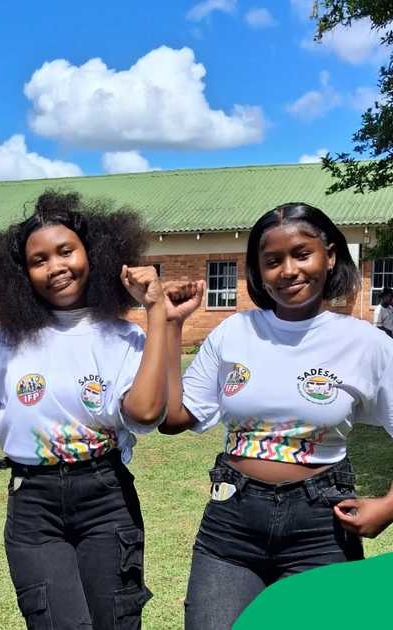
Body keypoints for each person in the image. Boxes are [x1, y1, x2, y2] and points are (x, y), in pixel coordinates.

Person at [160, 202, 393, 630]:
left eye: (302, 254)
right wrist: (172, 326)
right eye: (272, 261)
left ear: (330, 256)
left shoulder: (367, 343)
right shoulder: (234, 331)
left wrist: (389, 506)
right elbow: (174, 418)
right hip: (232, 520)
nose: (288, 271)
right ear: (259, 270)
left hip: (322, 525)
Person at [0, 191, 167, 630]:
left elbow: (144, 414)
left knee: (115, 621)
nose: (56, 267)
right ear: (22, 274)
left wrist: (155, 311)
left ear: (93, 254)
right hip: (33, 504)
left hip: (105, 496)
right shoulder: (8, 340)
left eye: (66, 251)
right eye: (39, 260)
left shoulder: (123, 337)